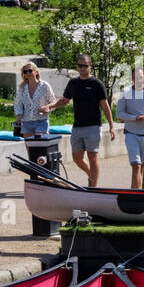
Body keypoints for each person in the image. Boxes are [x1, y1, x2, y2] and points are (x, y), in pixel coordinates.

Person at [48, 54, 114, 187]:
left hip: (93, 126)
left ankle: (93, 187)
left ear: (90, 66)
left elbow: (105, 105)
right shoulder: (73, 83)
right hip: (78, 127)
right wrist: (50, 106)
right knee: (77, 158)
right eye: (80, 65)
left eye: (85, 66)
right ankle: (91, 174)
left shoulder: (96, 84)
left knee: (92, 157)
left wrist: (111, 126)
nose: (82, 68)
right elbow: (65, 100)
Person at [115, 67, 144, 189]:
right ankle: (137, 194)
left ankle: (135, 192)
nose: (138, 80)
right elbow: (119, 114)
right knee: (136, 165)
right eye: (135, 78)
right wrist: (136, 117)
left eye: (141, 77)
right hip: (131, 134)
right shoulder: (126, 92)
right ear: (132, 79)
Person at [13, 62, 54, 138]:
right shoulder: (22, 88)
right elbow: (18, 103)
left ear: (36, 72)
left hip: (41, 121)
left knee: (39, 146)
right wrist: (19, 116)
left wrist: (47, 108)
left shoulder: (44, 86)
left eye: (30, 70)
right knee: (30, 148)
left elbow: (53, 102)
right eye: (25, 72)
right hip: (26, 122)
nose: (28, 73)